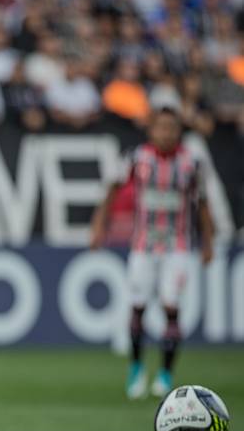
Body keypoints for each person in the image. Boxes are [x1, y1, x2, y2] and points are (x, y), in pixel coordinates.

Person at [90, 107, 214, 400]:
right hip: (143, 245)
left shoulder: (190, 163)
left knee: (171, 307)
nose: (166, 133)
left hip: (178, 246)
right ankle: (136, 368)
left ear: (178, 131)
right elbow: (111, 189)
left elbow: (203, 204)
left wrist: (208, 242)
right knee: (138, 306)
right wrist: (98, 225)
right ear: (151, 130)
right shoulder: (137, 158)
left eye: (171, 128)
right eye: (161, 127)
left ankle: (166, 373)